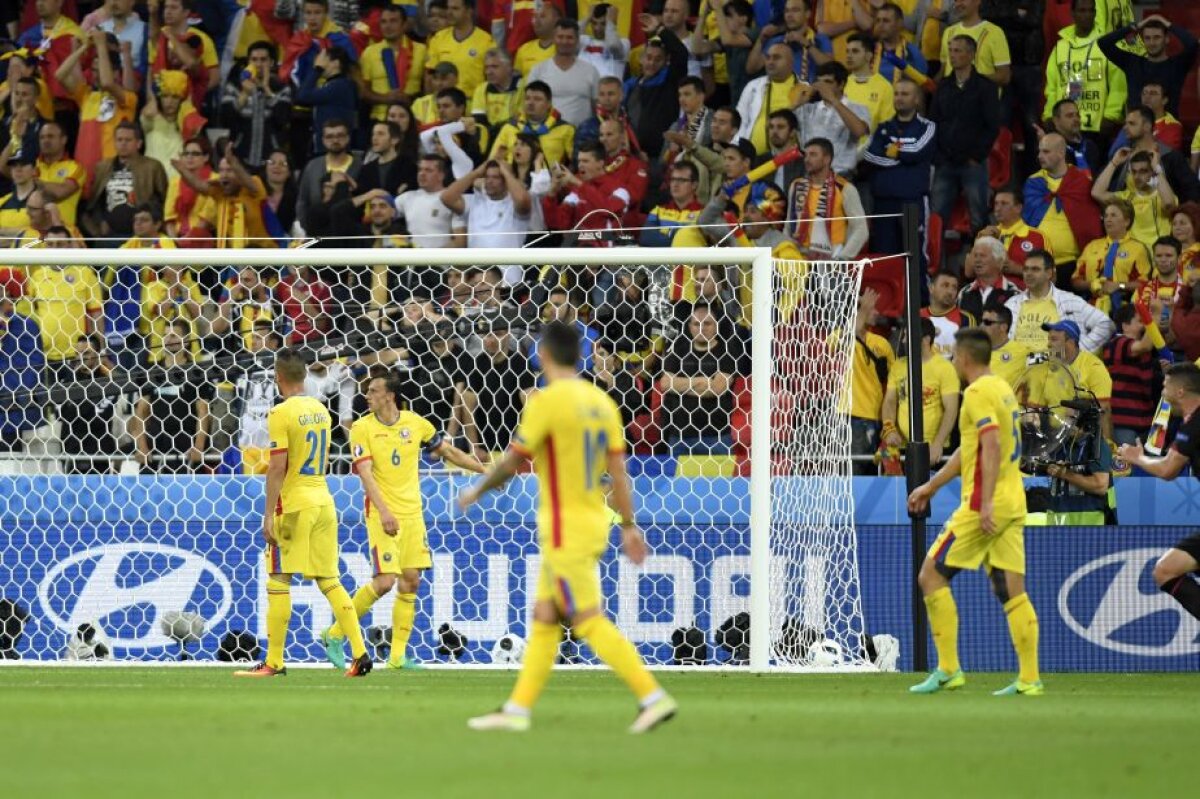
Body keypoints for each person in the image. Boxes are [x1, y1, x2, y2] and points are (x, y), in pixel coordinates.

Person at [458, 321, 676, 733]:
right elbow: (619, 472)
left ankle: (652, 697)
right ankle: (517, 710)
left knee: (587, 619)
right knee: (545, 616)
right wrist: (629, 525)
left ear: (542, 355)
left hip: (564, 526)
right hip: (594, 519)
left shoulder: (547, 402)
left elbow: (512, 461)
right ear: (581, 355)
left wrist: (475, 491)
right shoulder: (601, 402)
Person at [320, 370, 485, 670]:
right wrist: (385, 512)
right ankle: (334, 634)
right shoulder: (362, 428)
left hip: (413, 515)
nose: (367, 395)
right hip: (381, 513)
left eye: (373, 390)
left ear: (389, 395)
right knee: (384, 582)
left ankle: (397, 657)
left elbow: (448, 451)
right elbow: (365, 474)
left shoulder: (415, 423)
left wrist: (486, 471)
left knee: (411, 581)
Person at [907, 327, 1041, 696]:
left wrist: (984, 503)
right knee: (1012, 591)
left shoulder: (978, 393)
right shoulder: (1001, 388)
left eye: (954, 355)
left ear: (964, 357)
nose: (952, 360)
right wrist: (932, 485)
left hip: (984, 504)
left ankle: (949, 669)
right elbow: (971, 450)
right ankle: (1029, 678)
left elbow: (991, 443)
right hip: (1012, 502)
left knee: (930, 576)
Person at [233, 347, 371, 678]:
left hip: (294, 504)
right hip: (323, 499)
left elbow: (277, 467)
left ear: (277, 377)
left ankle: (274, 661)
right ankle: (360, 653)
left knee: (279, 578)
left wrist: (268, 514)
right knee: (329, 580)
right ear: (305, 375)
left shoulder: (280, 413)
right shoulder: (320, 410)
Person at [1117, 363, 1200, 621]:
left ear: (1180, 391)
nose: (1162, 393)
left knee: (1165, 570)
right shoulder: (1191, 424)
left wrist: (1137, 457)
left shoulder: (1195, 424)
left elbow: (1167, 470)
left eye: (1165, 386)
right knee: (1166, 570)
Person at [929, 34, 1002, 238]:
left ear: (971, 55)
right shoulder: (943, 86)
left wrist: (976, 156)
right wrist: (938, 156)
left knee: (979, 217)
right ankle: (936, 257)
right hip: (945, 161)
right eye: (951, 51)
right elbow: (933, 121)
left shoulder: (986, 87)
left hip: (973, 162)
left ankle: (980, 254)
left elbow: (992, 126)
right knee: (936, 217)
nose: (952, 55)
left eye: (958, 51)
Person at [862, 76, 936, 257]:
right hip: (883, 204)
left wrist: (891, 150)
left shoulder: (927, 127)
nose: (899, 98)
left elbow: (916, 151)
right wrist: (900, 159)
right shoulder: (883, 128)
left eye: (905, 94)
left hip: (911, 203)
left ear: (916, 99)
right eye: (896, 94)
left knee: (913, 259)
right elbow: (869, 155)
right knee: (884, 259)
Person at [1023, 133, 1102, 288]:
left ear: (1061, 153)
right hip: (1037, 263)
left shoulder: (1081, 182)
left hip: (1072, 265)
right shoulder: (1033, 183)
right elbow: (1026, 221)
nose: (1039, 156)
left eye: (1046, 152)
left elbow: (1089, 223)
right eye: (1039, 151)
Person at [882, 318, 960, 465]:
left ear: (926, 340)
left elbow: (951, 409)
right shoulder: (898, 366)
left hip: (934, 448)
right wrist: (889, 428)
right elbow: (890, 401)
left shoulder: (944, 368)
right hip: (903, 447)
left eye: (907, 336)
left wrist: (938, 443)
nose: (903, 341)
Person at [1005, 248, 1114, 354]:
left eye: (1035, 269)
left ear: (1049, 273)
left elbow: (1106, 325)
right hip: (1018, 364)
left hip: (1056, 365)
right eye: (1025, 269)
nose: (1028, 273)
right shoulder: (1012, 304)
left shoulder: (1070, 301)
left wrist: (1077, 350)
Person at [1098, 13, 1197, 119]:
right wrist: (1134, 26)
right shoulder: (1132, 63)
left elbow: (1193, 44)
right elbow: (1104, 43)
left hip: (1167, 127)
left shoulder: (1177, 65)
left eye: (1157, 37)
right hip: (1135, 126)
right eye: (1147, 38)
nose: (1152, 43)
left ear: (1167, 39)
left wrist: (1168, 24)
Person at [785, 137, 868, 260]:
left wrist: (843, 258)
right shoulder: (796, 186)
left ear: (827, 159)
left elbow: (861, 228)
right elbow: (788, 225)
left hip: (832, 257)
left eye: (813, 155)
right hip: (798, 256)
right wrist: (787, 252)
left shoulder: (844, 188)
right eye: (806, 155)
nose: (807, 159)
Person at [222, 40, 292, 168]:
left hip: (271, 161)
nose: (258, 64)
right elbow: (226, 120)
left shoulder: (282, 88)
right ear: (248, 62)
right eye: (254, 59)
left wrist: (267, 89)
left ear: (271, 63)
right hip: (240, 158)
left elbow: (282, 119)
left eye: (263, 60)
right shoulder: (234, 86)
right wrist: (244, 94)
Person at [1073, 197, 1150, 314]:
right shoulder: (1092, 246)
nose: (1108, 219)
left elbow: (1144, 284)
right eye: (1106, 216)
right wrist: (1091, 284)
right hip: (1092, 307)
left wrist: (1119, 286)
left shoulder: (1138, 249)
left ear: (1126, 221)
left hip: (1124, 309)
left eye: (1113, 215)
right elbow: (1075, 280)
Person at [793, 62, 870, 177]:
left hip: (841, 176)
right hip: (809, 175)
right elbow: (776, 125)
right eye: (819, 82)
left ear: (841, 85)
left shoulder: (857, 108)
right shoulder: (806, 109)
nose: (822, 87)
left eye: (827, 82)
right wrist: (797, 104)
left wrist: (833, 100)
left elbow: (859, 131)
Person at [1104, 303, 1161, 446]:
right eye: (1140, 321)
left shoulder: (1143, 351)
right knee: (1125, 460)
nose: (1145, 325)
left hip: (1146, 420)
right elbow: (1145, 345)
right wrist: (1156, 315)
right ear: (1125, 326)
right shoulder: (1118, 343)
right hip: (1124, 423)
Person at [527, 19, 599, 128]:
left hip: (581, 135)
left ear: (577, 40)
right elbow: (530, 105)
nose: (564, 42)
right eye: (560, 37)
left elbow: (597, 107)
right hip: (546, 134)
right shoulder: (538, 70)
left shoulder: (591, 71)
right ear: (553, 39)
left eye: (569, 37)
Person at [425, 0, 496, 97]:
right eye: (448, 8)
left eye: (455, 9)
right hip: (443, 101)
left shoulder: (487, 41)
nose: (449, 12)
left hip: (473, 101)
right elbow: (429, 75)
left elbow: (492, 79)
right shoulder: (438, 38)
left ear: (469, 11)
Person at [938, 0, 1011, 86]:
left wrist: (972, 79)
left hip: (983, 94)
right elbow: (943, 70)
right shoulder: (948, 32)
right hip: (951, 93)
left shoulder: (994, 32)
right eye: (956, 1)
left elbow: (1004, 77)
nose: (958, 4)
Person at [957, 237, 1020, 322]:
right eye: (975, 256)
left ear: (998, 261)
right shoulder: (964, 293)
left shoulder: (1013, 293)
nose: (977, 260)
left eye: (982, 256)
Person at [921, 271, 973, 359]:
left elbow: (968, 357)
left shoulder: (966, 318)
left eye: (954, 288)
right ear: (931, 288)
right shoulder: (916, 316)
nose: (950, 291)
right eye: (945, 286)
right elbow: (903, 353)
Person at [981, 305, 1029, 388]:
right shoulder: (973, 352)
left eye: (987, 322)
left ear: (1003, 327)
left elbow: (1050, 358)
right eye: (981, 321)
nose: (981, 326)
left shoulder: (1022, 353)